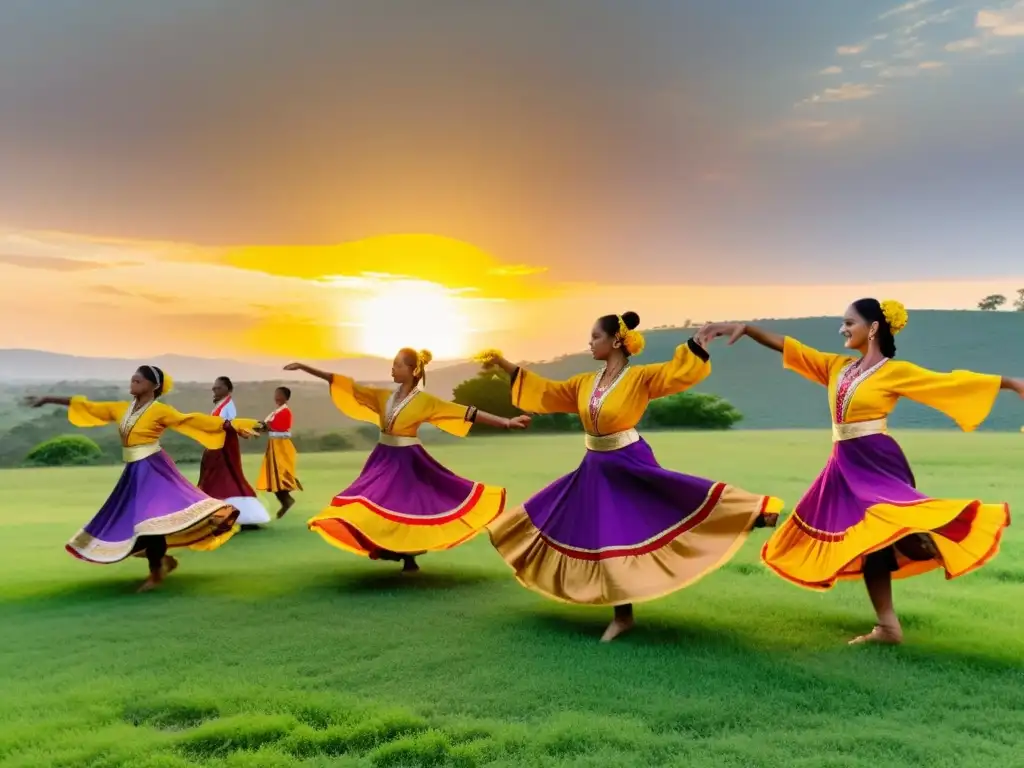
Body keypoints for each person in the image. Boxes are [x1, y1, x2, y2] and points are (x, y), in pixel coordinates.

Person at [698, 298, 1021, 645]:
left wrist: (1013, 383)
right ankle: (888, 627)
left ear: (874, 328)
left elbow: (949, 383)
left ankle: (927, 541)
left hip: (876, 460)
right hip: (843, 463)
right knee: (870, 543)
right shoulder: (838, 367)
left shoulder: (895, 372)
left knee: (885, 523)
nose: (842, 329)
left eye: (850, 322)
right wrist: (746, 330)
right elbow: (791, 347)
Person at [478, 312, 783, 642]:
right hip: (595, 468)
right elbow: (547, 391)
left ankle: (750, 511)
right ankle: (623, 616)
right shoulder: (584, 383)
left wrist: (699, 341)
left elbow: (675, 372)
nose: (590, 342)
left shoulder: (640, 378)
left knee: (669, 502)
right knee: (596, 533)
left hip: (628, 462)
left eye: (595, 336)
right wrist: (501, 363)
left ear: (616, 341)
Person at [288, 349, 530, 572]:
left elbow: (465, 412)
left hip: (407, 461)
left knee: (406, 506)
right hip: (383, 457)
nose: (392, 370)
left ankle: (407, 555)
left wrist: (506, 422)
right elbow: (344, 384)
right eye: (392, 365)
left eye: (397, 365)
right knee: (368, 500)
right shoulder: (381, 396)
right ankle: (383, 546)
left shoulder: (426, 402)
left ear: (412, 370)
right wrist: (306, 368)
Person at [23, 365, 260, 592]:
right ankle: (164, 561)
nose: (133, 382)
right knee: (134, 523)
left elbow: (192, 421)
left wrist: (234, 425)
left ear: (153, 385)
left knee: (150, 522)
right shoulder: (121, 409)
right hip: (134, 471)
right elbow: (88, 407)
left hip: (154, 468)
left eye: (139, 379)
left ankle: (156, 574)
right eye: (133, 378)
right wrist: (48, 399)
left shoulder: (160, 410)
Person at [196, 376, 271, 530]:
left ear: (228, 390)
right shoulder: (219, 406)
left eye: (218, 388)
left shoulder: (228, 406)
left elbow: (229, 425)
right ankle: (217, 514)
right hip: (216, 445)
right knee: (215, 479)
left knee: (227, 477)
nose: (215, 390)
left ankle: (236, 515)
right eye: (214, 388)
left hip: (225, 446)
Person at [255, 386, 302, 518]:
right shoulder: (277, 412)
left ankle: (286, 499)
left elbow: (277, 427)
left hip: (281, 446)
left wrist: (264, 426)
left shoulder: (285, 412)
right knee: (273, 477)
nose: (276, 396)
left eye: (279, 394)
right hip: (274, 446)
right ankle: (286, 500)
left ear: (286, 398)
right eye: (276, 394)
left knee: (279, 475)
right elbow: (268, 426)